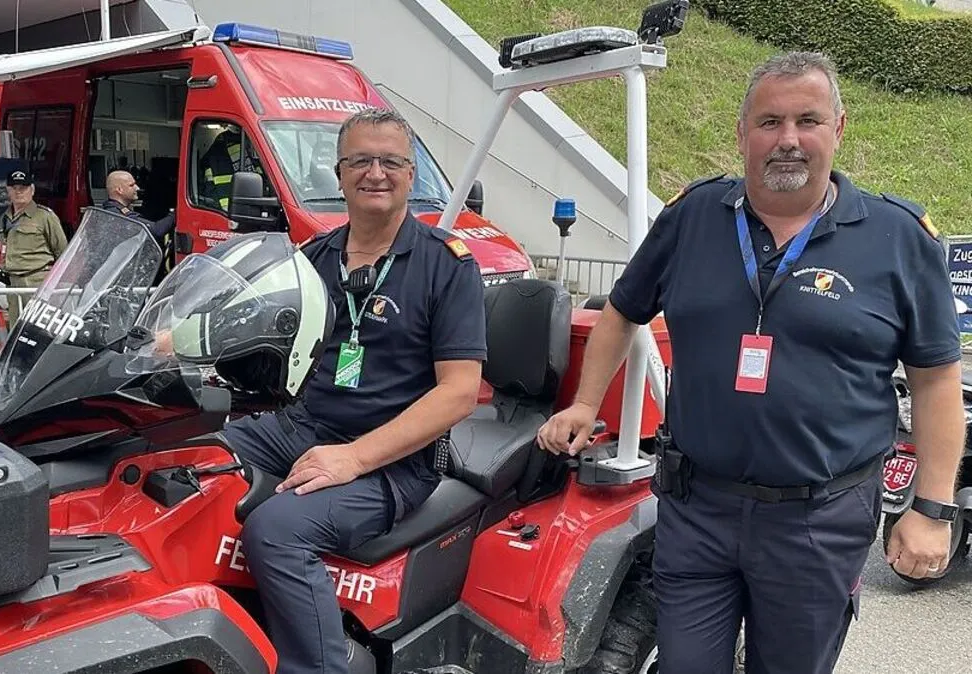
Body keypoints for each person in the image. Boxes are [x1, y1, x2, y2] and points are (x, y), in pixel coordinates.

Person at [536, 52, 964, 674]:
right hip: (696, 510)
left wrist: (931, 508)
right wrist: (581, 402)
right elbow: (621, 312)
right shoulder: (692, 218)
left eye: (807, 120)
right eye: (769, 122)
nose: (787, 139)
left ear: (837, 128)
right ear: (742, 135)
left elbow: (936, 380)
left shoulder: (896, 238)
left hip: (818, 520)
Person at [216, 108, 485, 674]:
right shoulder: (312, 260)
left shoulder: (447, 266)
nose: (375, 173)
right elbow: (240, 320)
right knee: (186, 464)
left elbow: (459, 393)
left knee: (278, 530)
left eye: (391, 161)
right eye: (360, 160)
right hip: (299, 428)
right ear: (339, 174)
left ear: (412, 176)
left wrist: (353, 459)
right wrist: (163, 337)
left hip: (391, 461)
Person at [0, 170, 68, 325]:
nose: (19, 191)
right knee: (17, 326)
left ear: (32, 190)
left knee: (40, 326)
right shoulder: (5, 218)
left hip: (37, 281)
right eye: (14, 188)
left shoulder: (45, 216)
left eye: (24, 187)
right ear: (8, 190)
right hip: (12, 283)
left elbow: (62, 252)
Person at [101, 169, 176, 270]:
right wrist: (176, 214)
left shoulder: (110, 210)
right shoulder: (118, 215)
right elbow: (157, 230)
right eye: (131, 185)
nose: (137, 188)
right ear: (119, 190)